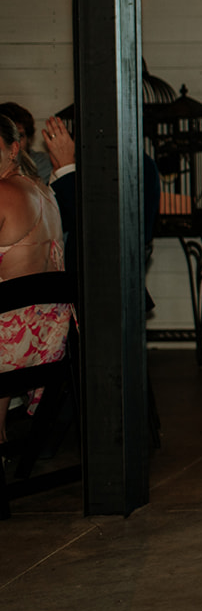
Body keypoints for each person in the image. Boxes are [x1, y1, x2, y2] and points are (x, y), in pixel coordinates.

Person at [0, 113, 69, 441]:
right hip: (48, 343)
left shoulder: (2, 192)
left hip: (8, 348)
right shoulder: (45, 190)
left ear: (13, 149)